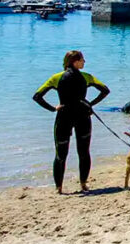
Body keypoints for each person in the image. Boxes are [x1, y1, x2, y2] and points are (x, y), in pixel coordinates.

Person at [33, 50, 110, 194]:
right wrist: (90, 104)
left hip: (64, 117)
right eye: (82, 60)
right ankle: (83, 184)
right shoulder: (86, 77)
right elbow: (105, 90)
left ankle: (59, 188)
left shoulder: (56, 78)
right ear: (75, 61)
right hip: (83, 117)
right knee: (84, 152)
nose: (84, 62)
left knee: (61, 155)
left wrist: (53, 108)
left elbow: (37, 96)